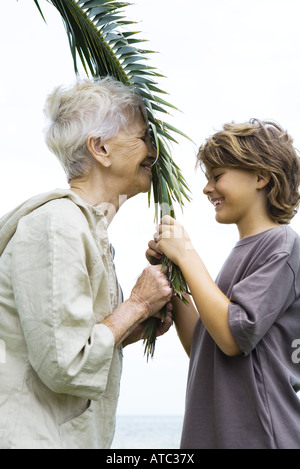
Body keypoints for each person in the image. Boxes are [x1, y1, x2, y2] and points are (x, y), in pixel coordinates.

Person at [0, 77, 173, 449]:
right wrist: (137, 305)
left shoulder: (82, 229)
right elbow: (66, 364)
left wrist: (134, 328)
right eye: (143, 136)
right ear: (101, 148)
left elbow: (65, 343)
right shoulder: (56, 226)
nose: (153, 149)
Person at [147, 119, 300, 449]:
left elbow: (232, 337)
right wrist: (176, 277)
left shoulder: (281, 244)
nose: (207, 188)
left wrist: (187, 257)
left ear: (261, 177)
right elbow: (205, 346)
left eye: (217, 176)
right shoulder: (241, 253)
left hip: (259, 435)